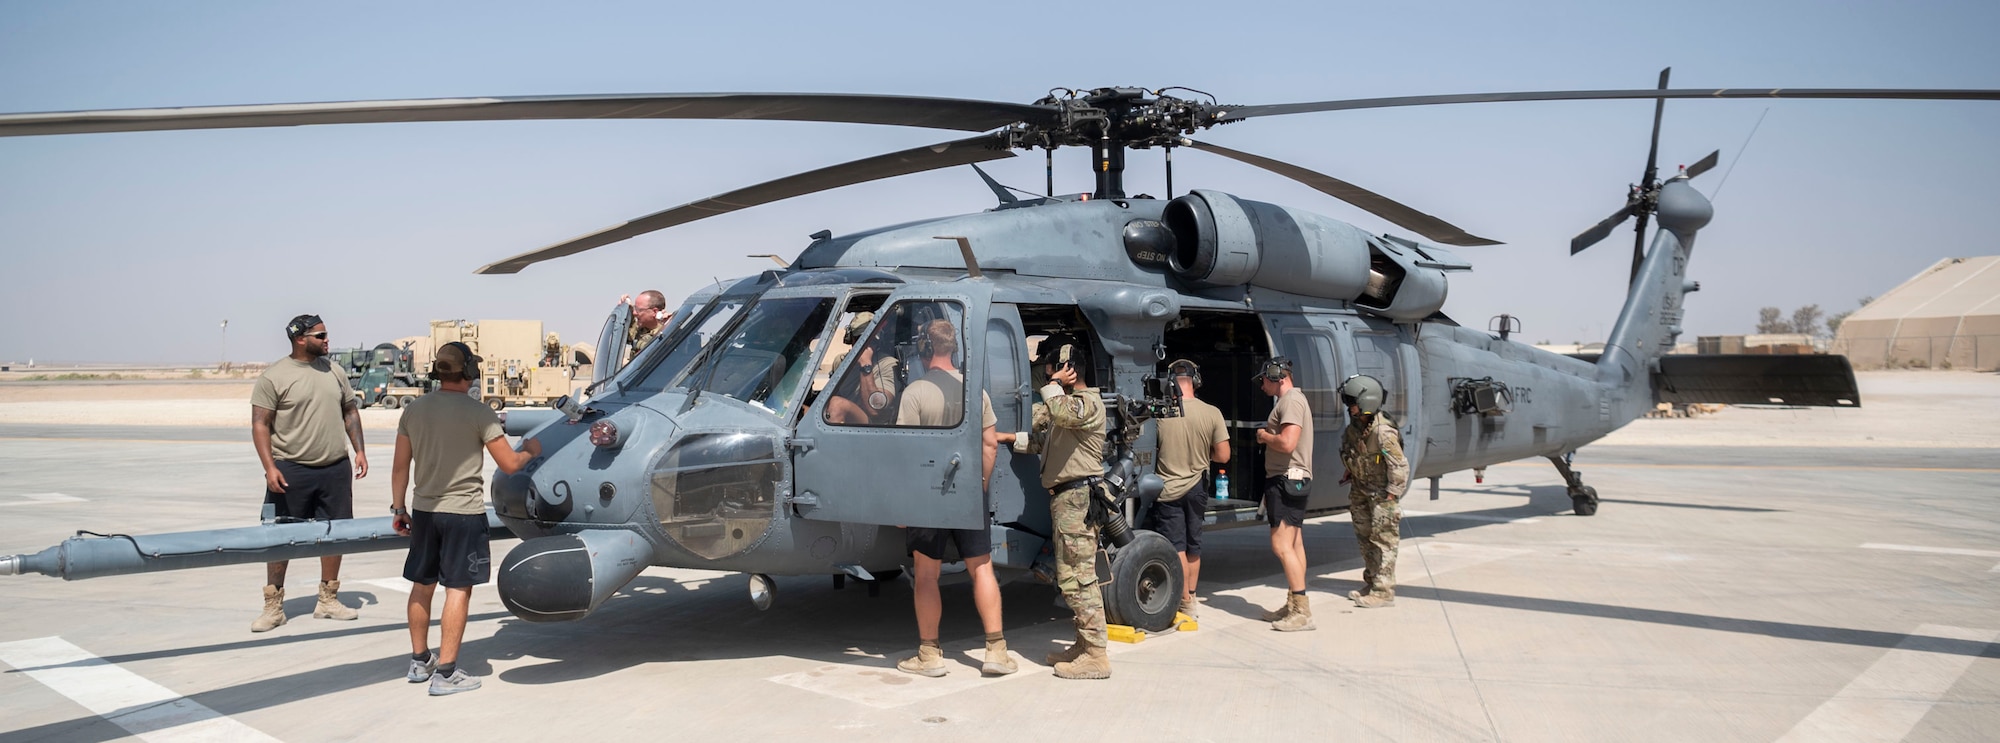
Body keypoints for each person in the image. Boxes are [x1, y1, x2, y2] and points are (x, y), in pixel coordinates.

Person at [391, 342, 542, 695]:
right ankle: (446, 673)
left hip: (424, 511)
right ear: (470, 373)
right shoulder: (480, 413)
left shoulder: (414, 410)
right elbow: (509, 464)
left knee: (422, 584)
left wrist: (399, 509)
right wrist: (531, 451)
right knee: (458, 588)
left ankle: (419, 661)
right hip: (463, 514)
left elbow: (401, 466)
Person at [892, 318, 1016, 678]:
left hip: (928, 499)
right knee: (982, 569)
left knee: (926, 575)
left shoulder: (915, 393)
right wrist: (977, 488)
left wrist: (905, 503)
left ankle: (929, 655)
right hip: (968, 495)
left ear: (926, 348)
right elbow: (990, 444)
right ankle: (996, 650)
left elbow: (905, 454)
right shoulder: (976, 392)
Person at [250, 314, 368, 633]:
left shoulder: (335, 371)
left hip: (335, 469)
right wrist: (269, 467)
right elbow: (260, 424)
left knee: (336, 533)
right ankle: (273, 606)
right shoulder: (275, 376)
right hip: (290, 470)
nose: (327, 339)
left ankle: (328, 600)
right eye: (321, 335)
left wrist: (359, 450)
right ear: (300, 339)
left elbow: (349, 411)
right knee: (280, 537)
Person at [1011, 334, 1110, 679]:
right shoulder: (1069, 406)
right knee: (1071, 576)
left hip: (1077, 498)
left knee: (1079, 579)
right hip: (1066, 498)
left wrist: (1054, 384)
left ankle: (1097, 655)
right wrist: (1006, 439)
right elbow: (1042, 440)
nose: (1046, 375)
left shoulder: (1086, 403)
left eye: (1051, 369)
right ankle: (1084, 645)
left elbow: (1062, 415)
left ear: (1067, 369)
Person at [1147, 359, 1229, 619]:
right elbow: (1223, 455)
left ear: (1171, 382)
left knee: (1176, 547)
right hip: (1197, 487)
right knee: (1194, 545)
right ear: (1196, 381)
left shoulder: (1160, 415)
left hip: (1168, 489)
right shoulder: (1212, 412)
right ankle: (1192, 596)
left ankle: (1183, 600)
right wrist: (1203, 456)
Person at [1254, 356, 1316, 632]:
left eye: (1264, 379)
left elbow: (1288, 442)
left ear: (1276, 375)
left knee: (1280, 545)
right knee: (1295, 544)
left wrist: (1265, 436)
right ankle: (1294, 602)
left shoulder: (1290, 401)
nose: (1262, 385)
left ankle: (1301, 610)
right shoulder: (1293, 401)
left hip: (1286, 480)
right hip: (1293, 480)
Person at [1338, 374, 1409, 609]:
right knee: (1365, 538)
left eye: (1352, 402)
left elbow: (1399, 465)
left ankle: (1384, 590)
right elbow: (1353, 452)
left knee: (1384, 541)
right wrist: (1351, 470)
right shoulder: (1356, 426)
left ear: (1367, 401)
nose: (1349, 407)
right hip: (1361, 490)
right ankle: (1371, 582)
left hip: (1381, 494)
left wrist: (1391, 494)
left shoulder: (1382, 432)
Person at [823, 311, 901, 425]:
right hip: (845, 419)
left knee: (837, 405)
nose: (866, 345)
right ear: (851, 340)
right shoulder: (841, 361)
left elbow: (875, 409)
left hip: (874, 426)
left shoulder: (888, 364)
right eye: (860, 340)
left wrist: (866, 365)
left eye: (872, 340)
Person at [623, 290, 675, 361]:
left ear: (655, 312)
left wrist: (669, 325)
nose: (635, 313)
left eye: (639, 310)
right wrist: (625, 309)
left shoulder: (667, 332)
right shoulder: (640, 330)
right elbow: (624, 336)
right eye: (635, 308)